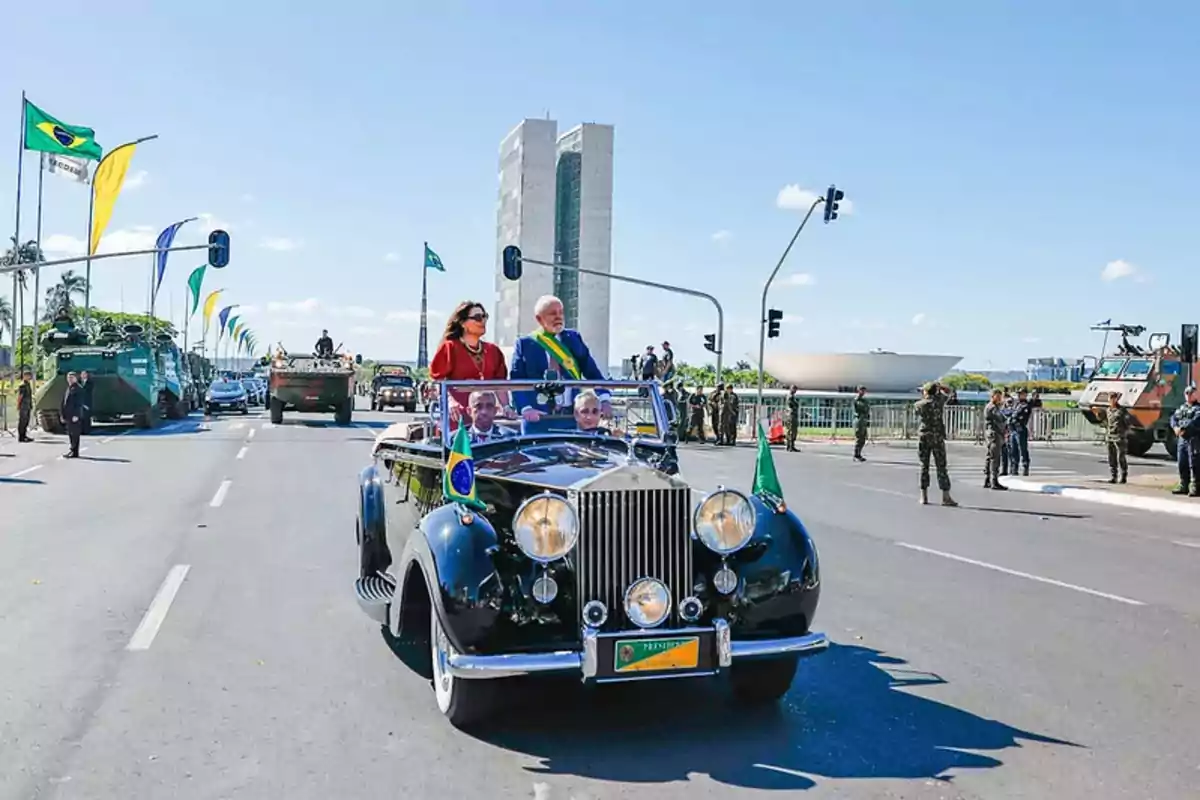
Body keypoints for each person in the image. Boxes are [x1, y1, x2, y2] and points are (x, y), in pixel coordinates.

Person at [509, 295, 609, 421]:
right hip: (537, 415)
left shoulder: (573, 338)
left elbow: (592, 372)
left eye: (561, 312)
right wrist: (526, 408)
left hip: (572, 414)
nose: (558, 317)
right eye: (552, 313)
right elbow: (516, 380)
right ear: (539, 319)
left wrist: (604, 399)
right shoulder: (525, 344)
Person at [430, 301, 509, 424]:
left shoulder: (493, 350)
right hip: (457, 417)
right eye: (477, 317)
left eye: (485, 316)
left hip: (485, 419)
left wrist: (506, 407)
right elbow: (438, 382)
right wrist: (450, 402)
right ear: (463, 323)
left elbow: (500, 385)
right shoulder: (450, 348)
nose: (483, 321)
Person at [914, 381, 957, 506]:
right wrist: (940, 387)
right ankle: (946, 496)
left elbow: (918, 408)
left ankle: (924, 496)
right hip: (937, 436)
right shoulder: (939, 402)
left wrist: (927, 394)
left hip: (924, 436)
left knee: (924, 465)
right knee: (941, 466)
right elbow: (949, 392)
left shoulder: (919, 404)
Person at [1169, 385, 1199, 497]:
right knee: (1182, 462)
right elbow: (1173, 418)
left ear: (1196, 394)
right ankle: (1183, 484)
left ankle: (1195, 486)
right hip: (1182, 440)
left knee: (1194, 464)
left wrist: (1183, 428)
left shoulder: (1198, 409)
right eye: (1187, 393)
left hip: (1193, 440)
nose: (1189, 395)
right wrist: (1175, 427)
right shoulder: (1182, 408)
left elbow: (1195, 421)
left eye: (1191, 393)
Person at [983, 389, 1009, 490]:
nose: (999, 399)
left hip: (995, 434)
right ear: (992, 396)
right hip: (994, 434)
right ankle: (994, 481)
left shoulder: (995, 407)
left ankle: (988, 479)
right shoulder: (992, 407)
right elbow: (1000, 418)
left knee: (990, 457)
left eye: (1000, 397)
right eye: (997, 396)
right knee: (995, 458)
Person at [1103, 391, 1130, 485]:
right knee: (1111, 457)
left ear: (1116, 399)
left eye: (1113, 398)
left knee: (1120, 457)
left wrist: (1123, 432)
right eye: (1110, 398)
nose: (1111, 400)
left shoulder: (1121, 410)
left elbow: (1128, 423)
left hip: (1119, 436)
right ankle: (1113, 476)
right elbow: (1105, 421)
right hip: (1110, 436)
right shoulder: (1108, 410)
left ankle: (1123, 476)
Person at [1008, 388, 1033, 476]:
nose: (1019, 395)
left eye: (1021, 394)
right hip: (1013, 429)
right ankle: (1014, 467)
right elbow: (1011, 413)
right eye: (1019, 394)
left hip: (1020, 429)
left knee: (1022, 449)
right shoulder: (1016, 404)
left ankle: (1025, 466)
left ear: (1025, 395)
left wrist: (1014, 420)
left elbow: (1022, 418)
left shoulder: (1026, 406)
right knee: (1013, 449)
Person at [61, 371, 84, 458]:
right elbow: (64, 402)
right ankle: (72, 450)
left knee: (75, 434)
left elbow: (79, 403)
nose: (69, 379)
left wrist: (76, 415)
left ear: (76, 378)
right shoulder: (69, 388)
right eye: (68, 378)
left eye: (71, 378)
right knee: (70, 433)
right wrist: (62, 414)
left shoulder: (78, 389)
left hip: (74, 415)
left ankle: (74, 451)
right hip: (68, 414)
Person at [852, 385, 869, 461]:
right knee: (859, 438)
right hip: (859, 421)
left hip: (864, 421)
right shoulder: (857, 400)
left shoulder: (865, 400)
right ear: (858, 391)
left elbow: (867, 409)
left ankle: (859, 453)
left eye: (864, 390)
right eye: (861, 390)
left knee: (863, 438)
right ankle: (856, 454)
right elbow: (859, 410)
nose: (863, 392)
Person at [16, 369, 33, 442]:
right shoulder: (22, 385)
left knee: (26, 421)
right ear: (24, 376)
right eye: (28, 376)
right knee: (22, 421)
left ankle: (24, 435)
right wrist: (18, 405)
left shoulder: (28, 384)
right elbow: (20, 396)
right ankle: (21, 437)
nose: (29, 377)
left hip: (27, 405)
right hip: (23, 405)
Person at [79, 369, 94, 435]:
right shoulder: (79, 382)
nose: (83, 376)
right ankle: (81, 430)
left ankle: (87, 430)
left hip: (87, 401)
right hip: (80, 401)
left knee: (87, 417)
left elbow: (89, 389)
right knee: (80, 416)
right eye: (82, 374)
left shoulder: (90, 382)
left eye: (85, 374)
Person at [785, 386, 800, 452]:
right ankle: (790, 446)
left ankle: (791, 446)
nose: (795, 391)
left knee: (792, 430)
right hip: (791, 415)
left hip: (792, 415)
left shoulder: (792, 396)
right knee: (791, 431)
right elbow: (793, 405)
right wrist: (796, 404)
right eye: (794, 389)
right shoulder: (790, 397)